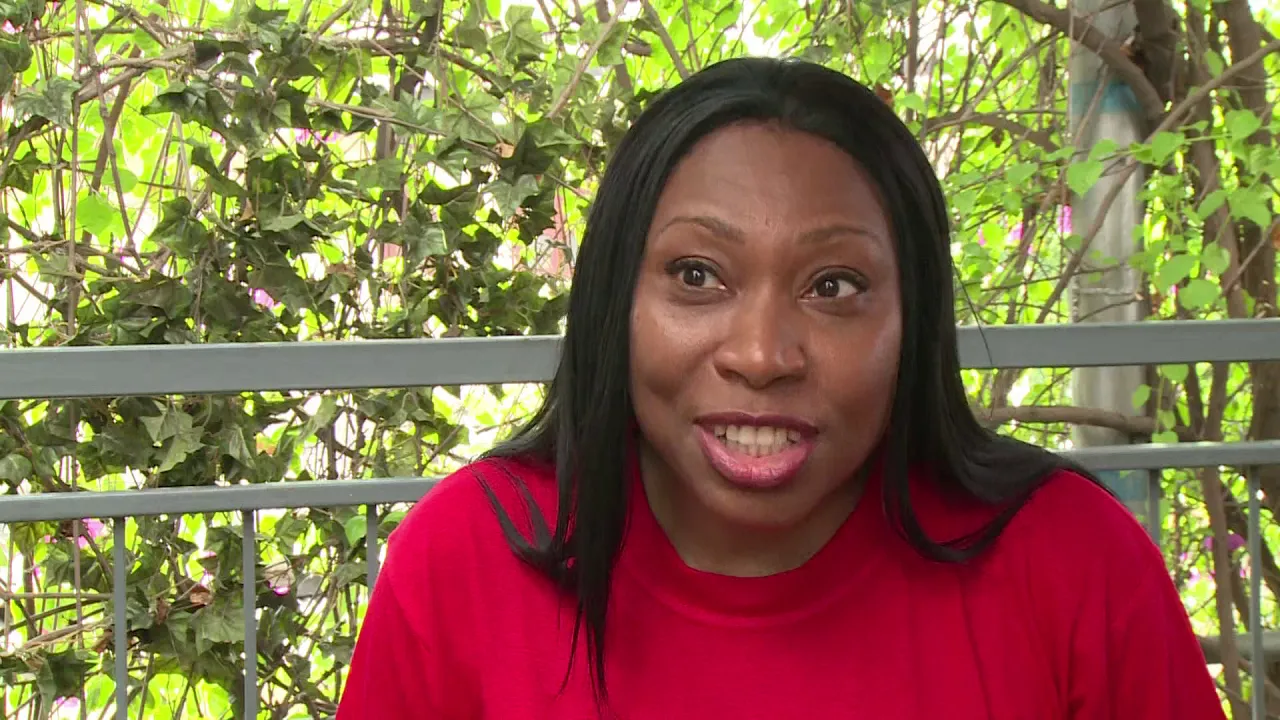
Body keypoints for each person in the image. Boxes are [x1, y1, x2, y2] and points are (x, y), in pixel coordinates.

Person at [336, 57, 1226, 719]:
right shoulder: (466, 560)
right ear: (614, 300)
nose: (762, 356)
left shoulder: (1073, 564)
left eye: (834, 285)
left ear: (912, 322)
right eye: (697, 275)